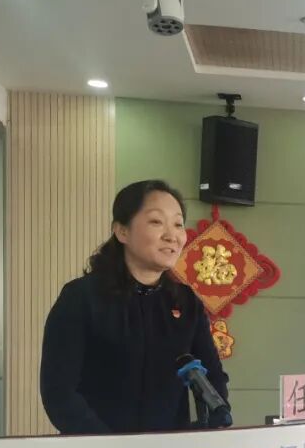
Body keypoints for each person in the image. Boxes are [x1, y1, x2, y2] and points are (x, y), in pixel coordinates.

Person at [40, 180, 230, 434]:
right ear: (122, 231)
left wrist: (213, 423)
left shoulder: (185, 302)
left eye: (178, 224)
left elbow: (213, 376)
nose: (172, 236)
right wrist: (111, 447)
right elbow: (59, 392)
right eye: (156, 222)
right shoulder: (81, 297)